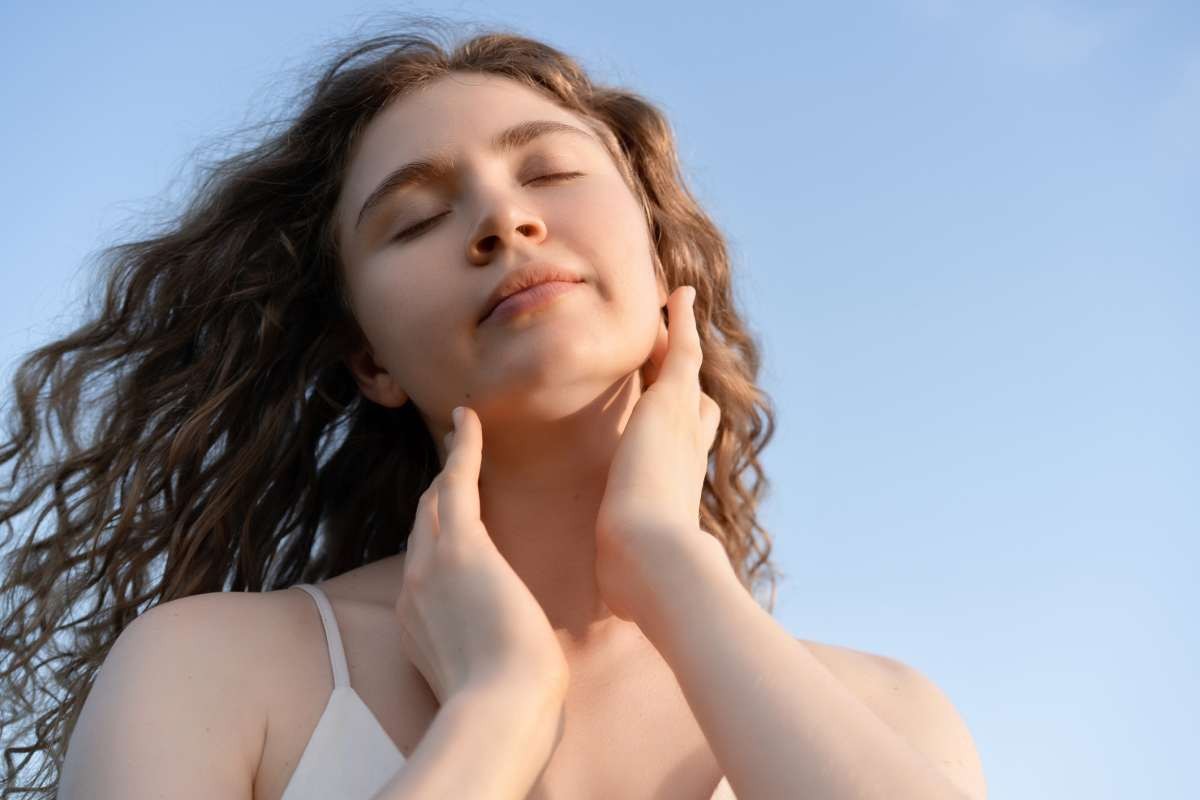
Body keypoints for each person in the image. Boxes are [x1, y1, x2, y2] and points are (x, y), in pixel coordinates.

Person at [0, 18, 986, 800]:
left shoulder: (890, 713)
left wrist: (669, 563)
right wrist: (496, 711)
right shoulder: (209, 670)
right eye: (419, 218)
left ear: (661, 262)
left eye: (551, 172)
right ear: (370, 360)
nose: (502, 221)